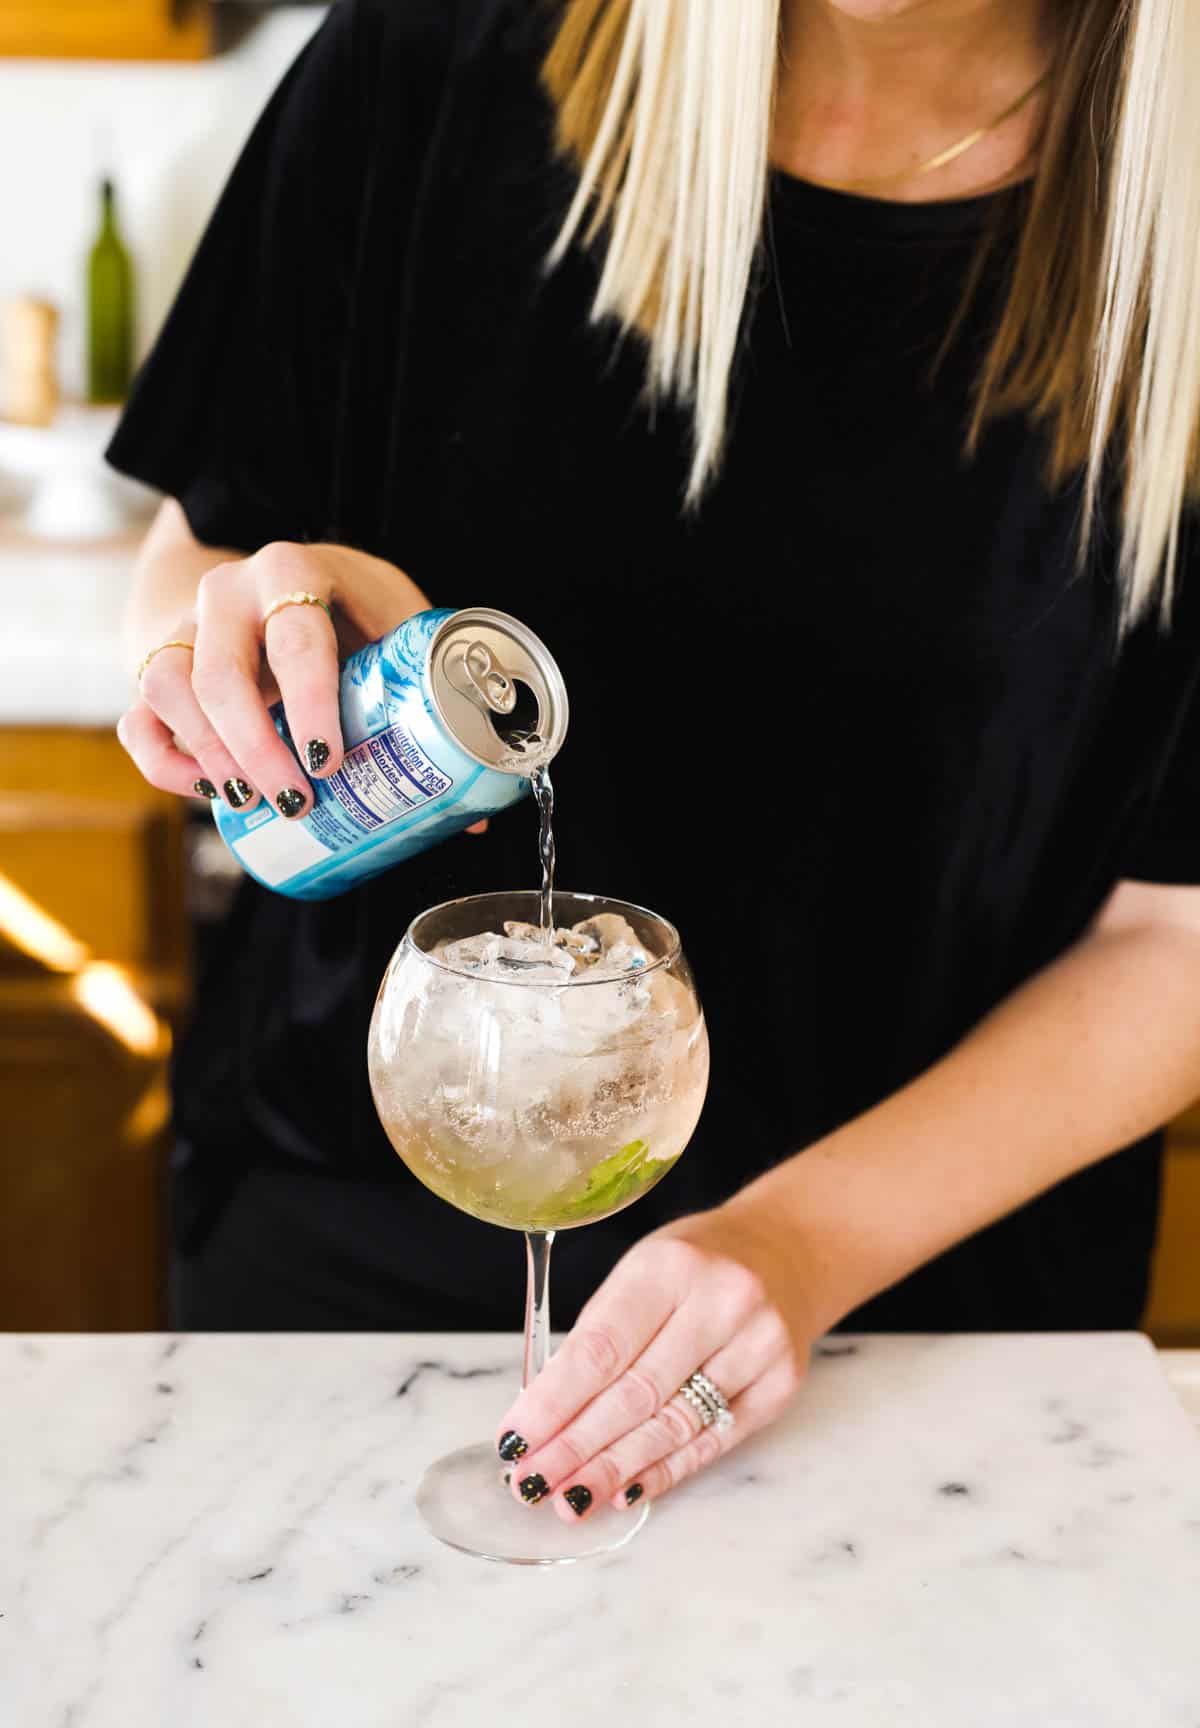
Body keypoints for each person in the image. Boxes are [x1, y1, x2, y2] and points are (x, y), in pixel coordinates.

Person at [109, 0, 1200, 1528]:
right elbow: (202, 551)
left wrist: (800, 1245)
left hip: (924, 1333)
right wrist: (227, 650)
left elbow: (1179, 935)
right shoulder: (428, 59)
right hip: (349, 1280)